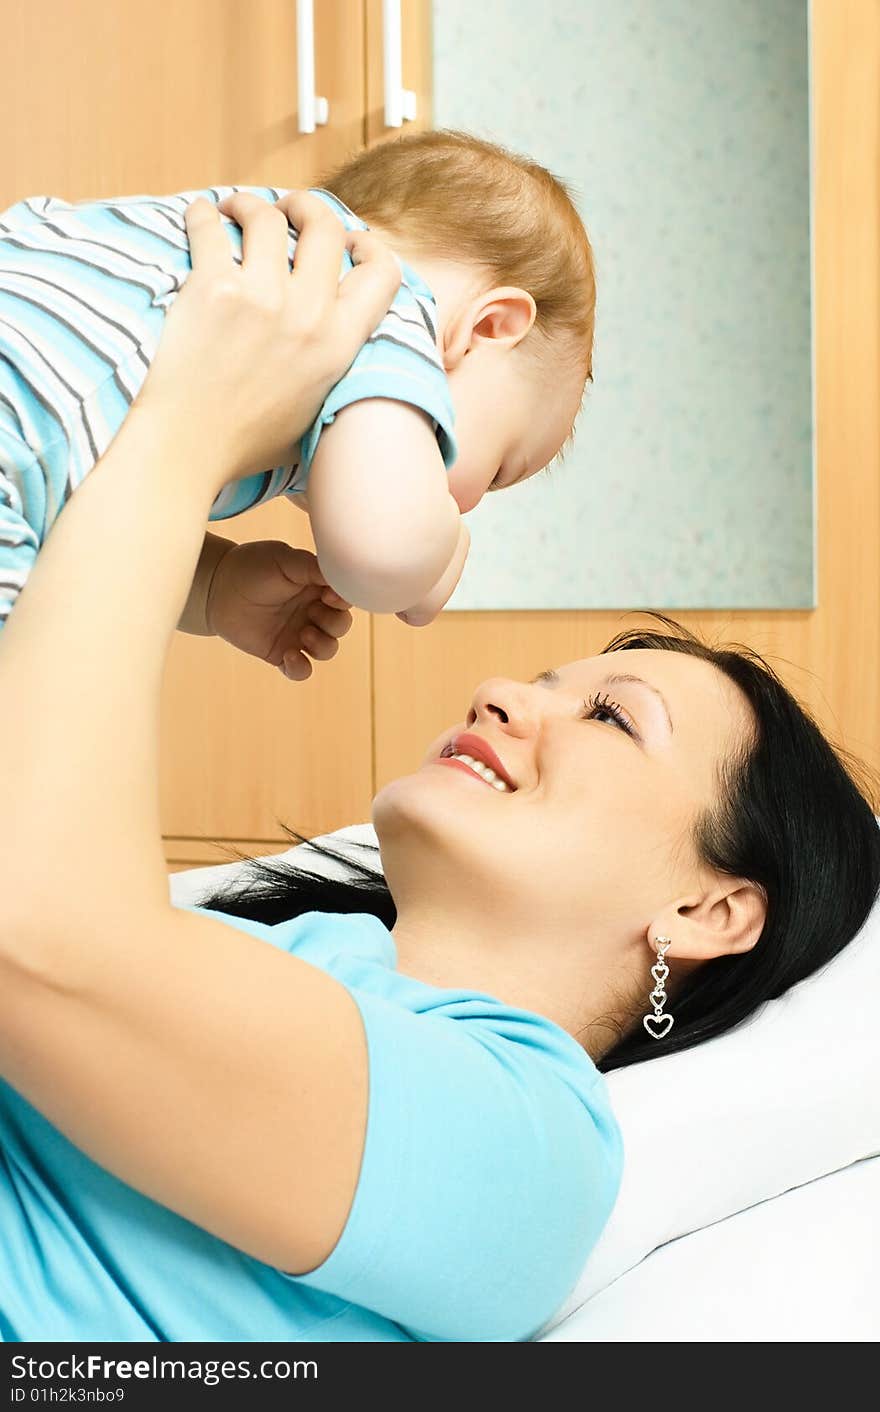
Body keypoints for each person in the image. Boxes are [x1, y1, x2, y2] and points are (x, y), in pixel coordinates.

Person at [0, 193, 877, 1345]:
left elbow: (39, 939)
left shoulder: (533, 1146)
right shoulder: (266, 951)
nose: (502, 694)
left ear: (709, 906)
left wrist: (184, 421)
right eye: (544, 685)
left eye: (613, 716)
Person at [0, 130, 592, 665]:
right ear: (488, 327)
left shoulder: (274, 256)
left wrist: (214, 586)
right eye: (495, 473)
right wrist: (435, 557)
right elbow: (381, 554)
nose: (467, 506)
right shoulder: (384, 303)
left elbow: (85, 502)